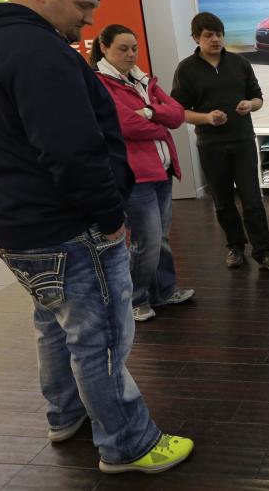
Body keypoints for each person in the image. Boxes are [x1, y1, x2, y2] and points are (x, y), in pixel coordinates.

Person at [0, 0, 192, 474]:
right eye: (82, 5)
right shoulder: (38, 51)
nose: (89, 19)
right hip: (65, 226)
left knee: (54, 323)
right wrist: (110, 219)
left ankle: (65, 414)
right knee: (101, 337)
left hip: (13, 223)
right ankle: (127, 444)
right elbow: (72, 150)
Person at [91, 24, 194, 322]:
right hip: (136, 177)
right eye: (123, 48)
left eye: (134, 48)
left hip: (162, 170)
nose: (131, 54)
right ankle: (136, 300)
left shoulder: (142, 79)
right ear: (104, 47)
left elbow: (176, 112)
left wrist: (151, 112)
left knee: (159, 237)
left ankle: (164, 291)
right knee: (146, 240)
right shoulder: (101, 83)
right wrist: (160, 119)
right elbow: (124, 125)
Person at [171, 12, 269, 270]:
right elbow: (178, 111)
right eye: (208, 35)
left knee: (252, 198)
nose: (215, 40)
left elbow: (258, 98)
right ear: (195, 38)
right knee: (222, 201)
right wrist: (206, 118)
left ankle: (264, 252)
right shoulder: (186, 69)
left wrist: (250, 105)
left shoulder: (240, 63)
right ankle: (235, 247)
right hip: (211, 145)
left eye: (219, 34)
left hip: (243, 140)